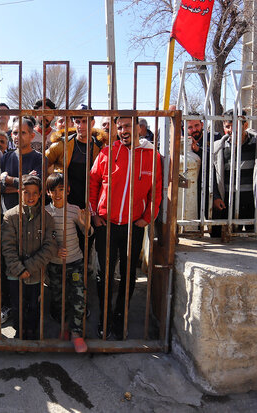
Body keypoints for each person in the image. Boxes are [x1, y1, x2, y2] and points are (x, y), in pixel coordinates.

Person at [89, 115, 163, 339]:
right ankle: (105, 317)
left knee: (129, 274)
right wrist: (94, 215)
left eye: (127, 126)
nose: (123, 130)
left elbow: (156, 191)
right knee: (105, 273)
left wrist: (146, 218)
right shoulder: (107, 152)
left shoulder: (152, 156)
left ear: (139, 128)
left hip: (134, 226)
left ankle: (121, 316)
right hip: (106, 225)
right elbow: (92, 184)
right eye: (119, 127)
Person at [46, 104, 107, 274]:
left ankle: (81, 278)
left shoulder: (100, 147)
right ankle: (62, 277)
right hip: (67, 203)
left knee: (86, 241)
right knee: (66, 241)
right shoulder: (62, 145)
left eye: (85, 121)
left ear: (92, 122)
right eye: (77, 121)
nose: (81, 125)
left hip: (89, 203)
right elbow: (44, 162)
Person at [1, 174, 56, 340]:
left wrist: (29, 267)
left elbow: (50, 246)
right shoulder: (10, 217)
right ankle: (20, 330)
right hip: (14, 274)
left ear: (40, 194)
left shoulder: (47, 218)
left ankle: (32, 330)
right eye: (26, 192)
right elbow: (7, 247)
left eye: (34, 193)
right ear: (19, 192)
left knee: (35, 304)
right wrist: (19, 269)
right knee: (18, 305)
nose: (30, 197)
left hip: (36, 273)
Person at [211, 110, 257, 236]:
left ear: (246, 125)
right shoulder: (217, 148)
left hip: (255, 205)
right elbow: (211, 177)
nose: (231, 130)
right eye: (227, 126)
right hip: (228, 206)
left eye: (236, 125)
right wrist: (216, 197)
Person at [45, 172, 90, 352]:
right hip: (55, 264)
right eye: (54, 190)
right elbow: (44, 239)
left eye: (62, 190)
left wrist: (84, 222)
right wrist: (54, 249)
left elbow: (88, 233)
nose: (58, 194)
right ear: (47, 192)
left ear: (68, 190)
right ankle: (64, 326)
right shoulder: (45, 213)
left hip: (75, 261)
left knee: (79, 297)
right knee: (59, 298)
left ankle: (76, 333)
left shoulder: (74, 209)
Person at [0, 117, 45, 211]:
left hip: (32, 215)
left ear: (32, 136)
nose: (17, 136)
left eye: (23, 133)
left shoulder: (40, 159)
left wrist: (6, 179)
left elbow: (36, 186)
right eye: (15, 133)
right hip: (7, 216)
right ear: (11, 135)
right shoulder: (5, 158)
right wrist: (22, 184)